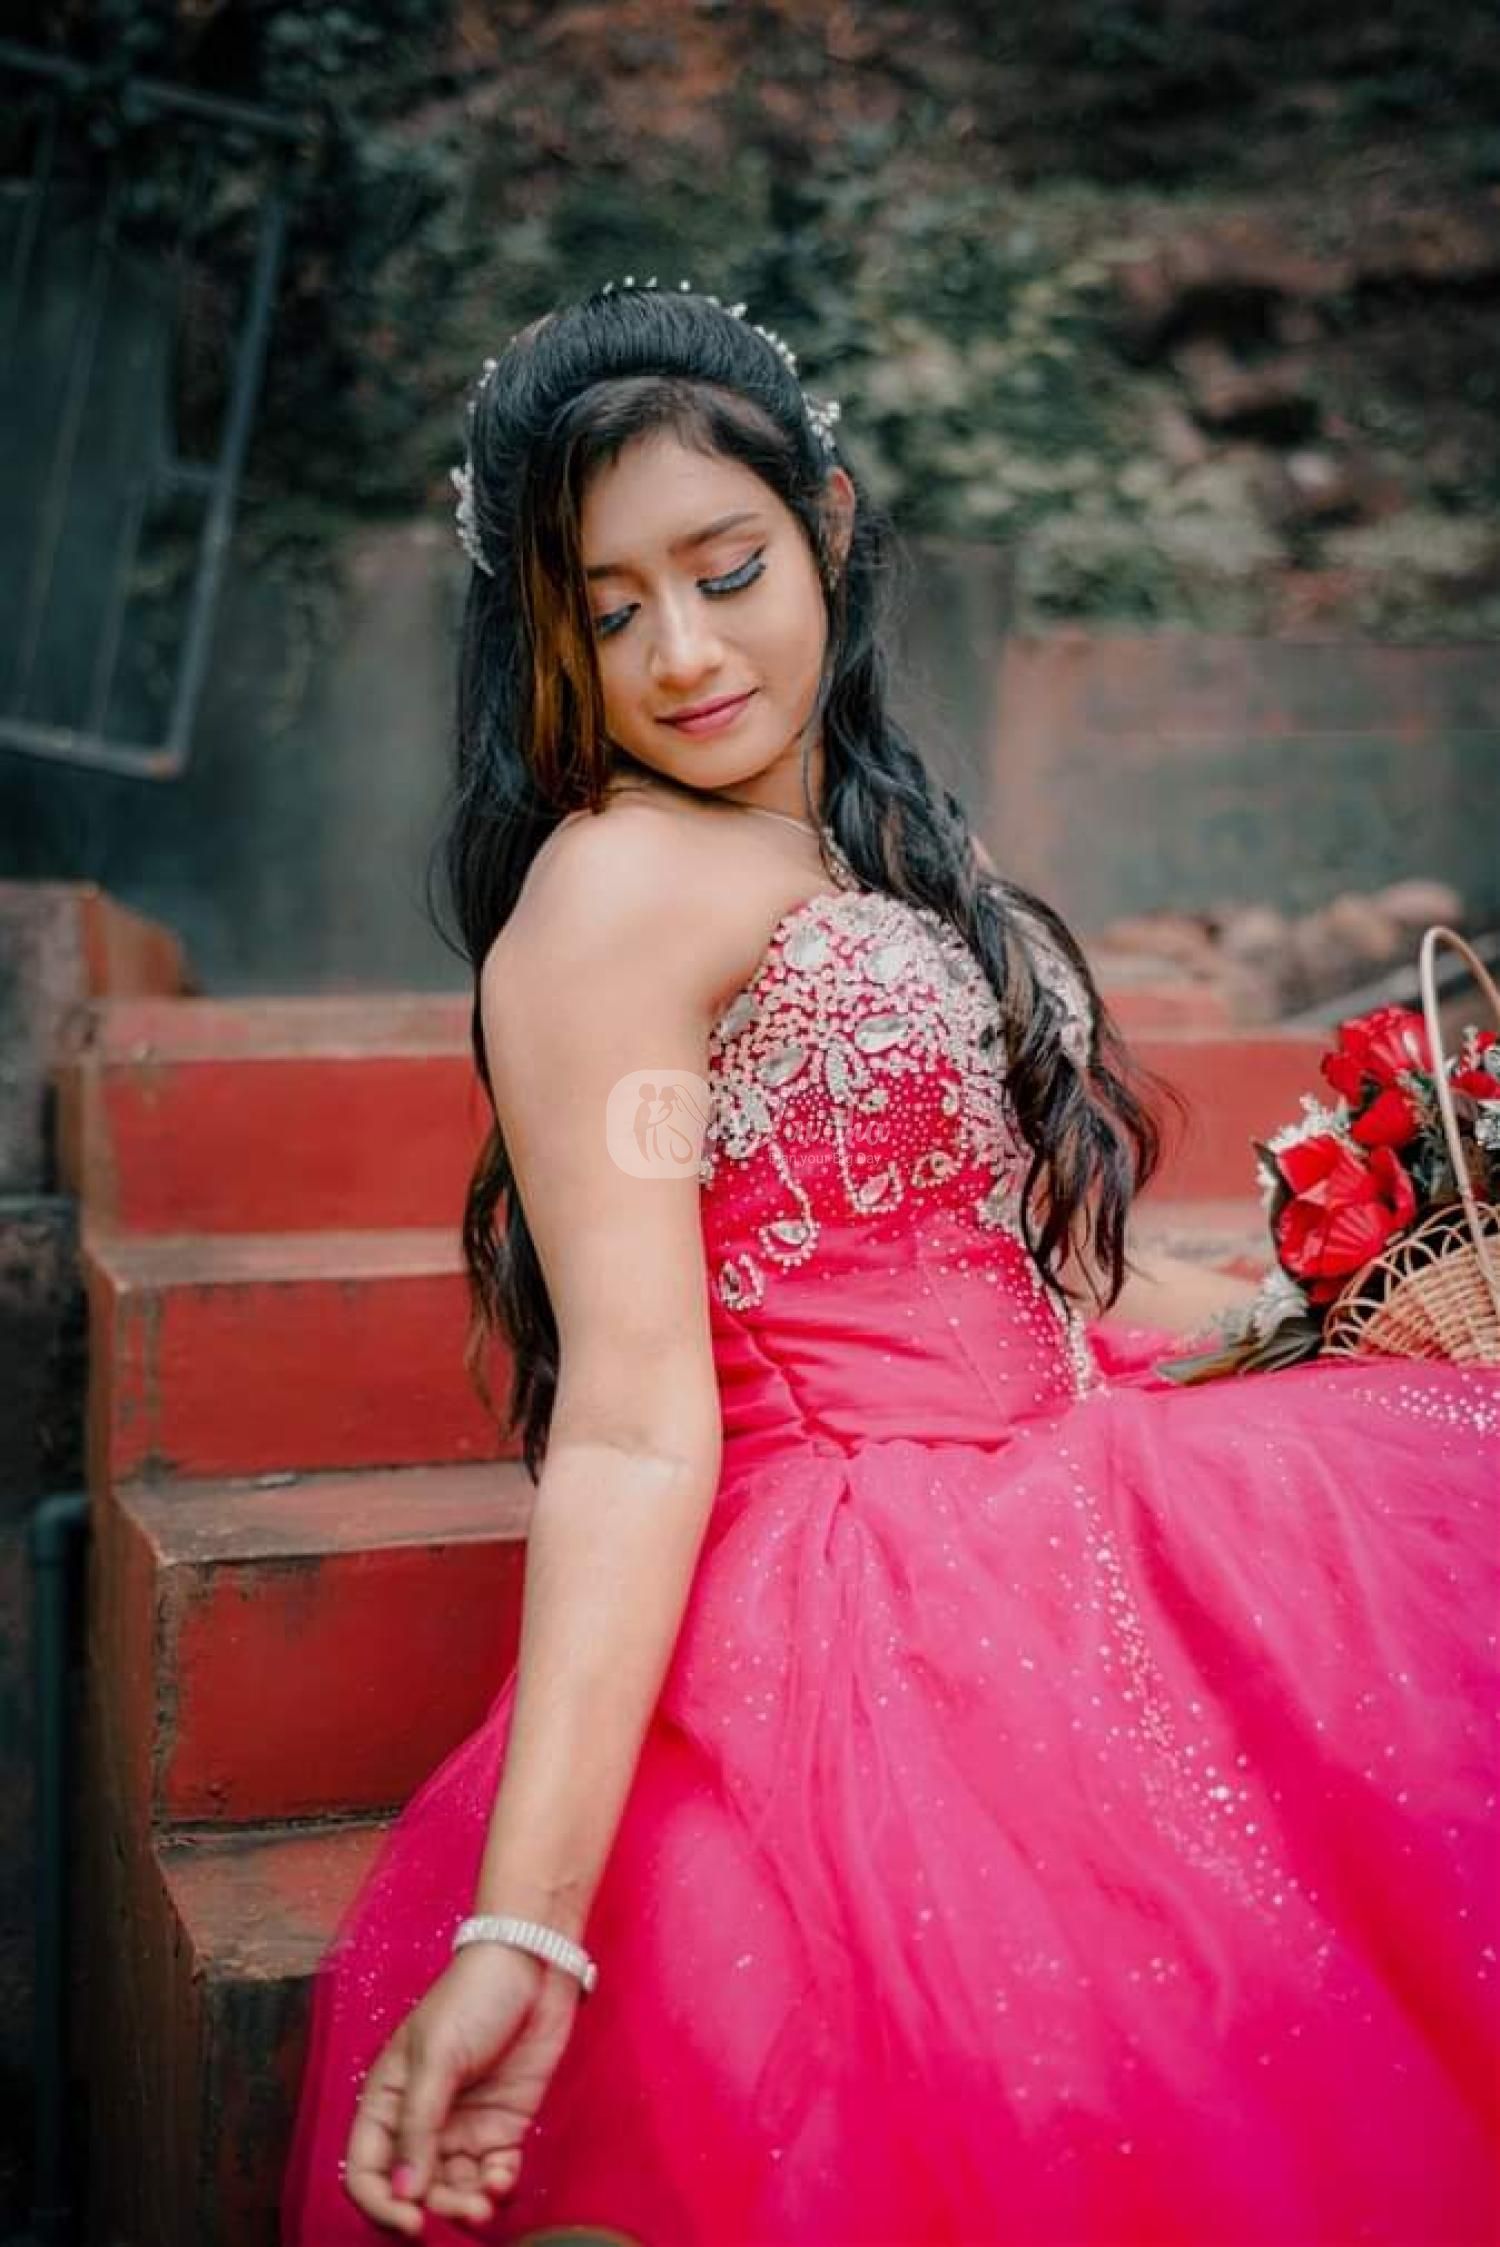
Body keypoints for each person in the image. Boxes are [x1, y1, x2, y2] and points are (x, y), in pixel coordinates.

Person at [281, 281, 1500, 2247]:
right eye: (609, 609)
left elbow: (1015, 1267)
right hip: (872, 1569)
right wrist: (529, 1917)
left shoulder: (873, 846)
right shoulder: (610, 894)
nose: (683, 652)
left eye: (724, 569)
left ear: (828, 527)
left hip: (1075, 1446)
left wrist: (1322, 1310)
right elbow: (632, 1415)